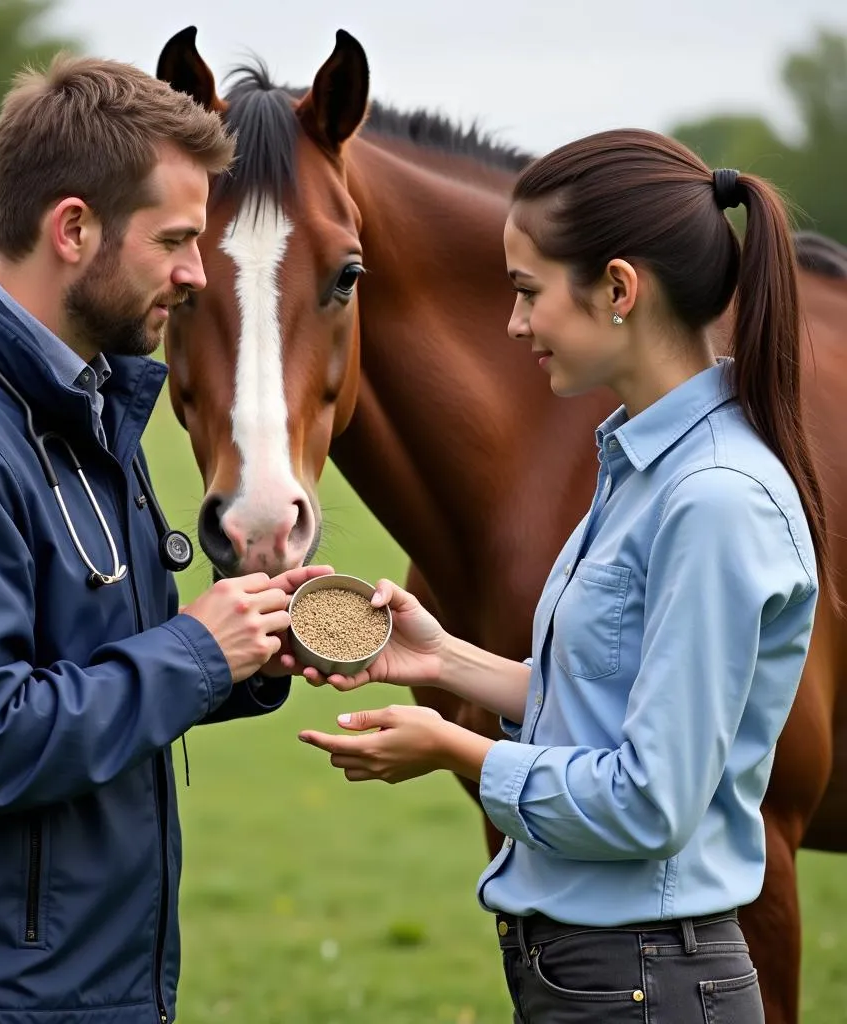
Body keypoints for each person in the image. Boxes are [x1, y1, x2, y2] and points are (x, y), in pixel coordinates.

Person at [0, 54, 331, 1024]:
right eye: (178, 240)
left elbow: (89, 667)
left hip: (69, 987)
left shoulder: (84, 406)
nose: (194, 274)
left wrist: (257, 640)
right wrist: (195, 649)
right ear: (73, 229)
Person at [296, 128, 830, 1023]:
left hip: (649, 984)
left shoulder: (713, 500)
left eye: (526, 292)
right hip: (602, 976)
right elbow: (616, 697)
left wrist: (455, 749)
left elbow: (651, 803)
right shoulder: (642, 468)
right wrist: (440, 662)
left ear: (619, 290)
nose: (513, 325)